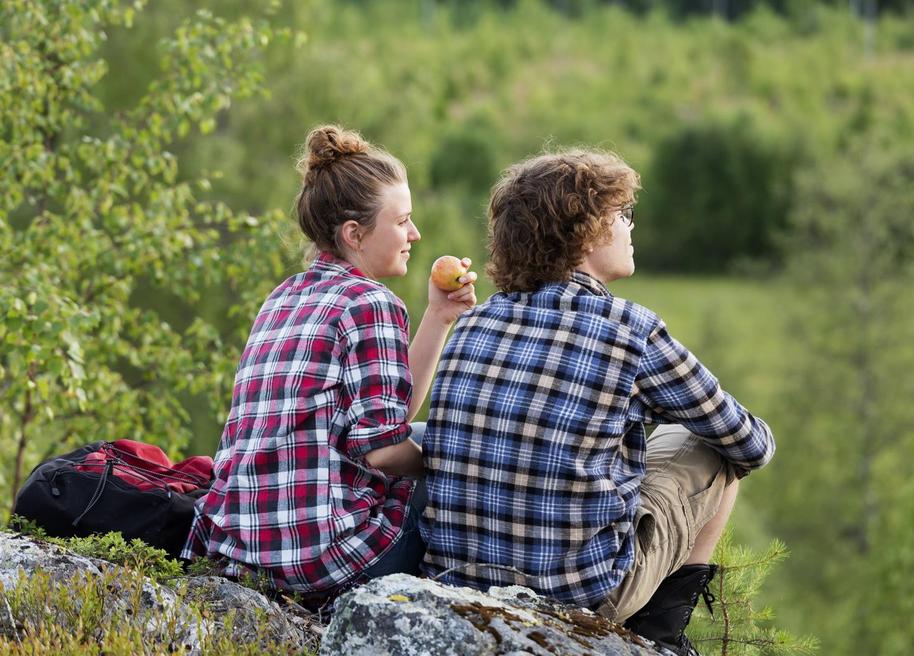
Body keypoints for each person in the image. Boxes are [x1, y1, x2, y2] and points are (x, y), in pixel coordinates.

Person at [419, 149, 775, 655]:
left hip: (456, 585)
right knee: (711, 445)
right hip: (580, 597)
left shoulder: (472, 322)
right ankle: (660, 634)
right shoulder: (631, 330)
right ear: (584, 234)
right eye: (621, 215)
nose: (631, 227)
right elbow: (751, 444)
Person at [182, 125, 477, 600]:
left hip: (239, 550)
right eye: (402, 221)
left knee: (419, 439)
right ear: (354, 234)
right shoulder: (370, 303)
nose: (415, 234)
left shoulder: (283, 296)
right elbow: (383, 451)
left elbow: (390, 417)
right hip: (317, 560)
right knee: (451, 451)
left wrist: (439, 316)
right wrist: (456, 465)